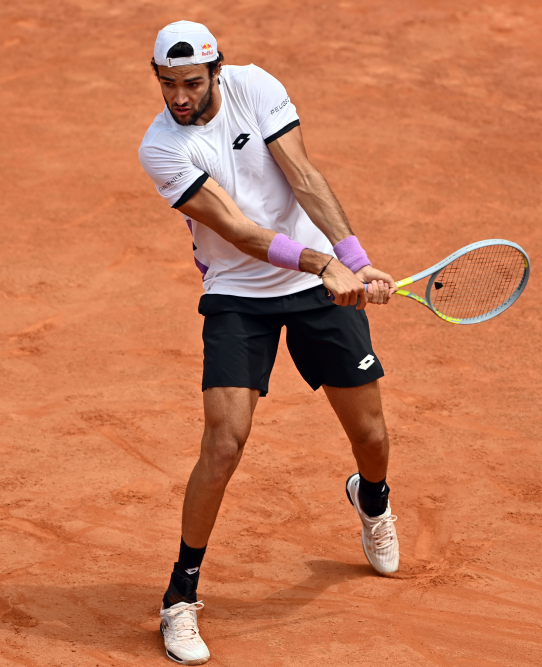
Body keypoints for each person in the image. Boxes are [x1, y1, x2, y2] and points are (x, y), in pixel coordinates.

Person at [138, 21, 400, 665]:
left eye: (191, 83)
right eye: (167, 85)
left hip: (317, 279)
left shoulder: (256, 87)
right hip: (238, 294)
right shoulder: (161, 149)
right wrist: (321, 265)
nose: (179, 97)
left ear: (217, 73)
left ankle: (372, 501)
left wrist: (355, 258)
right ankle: (180, 598)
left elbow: (302, 175)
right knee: (223, 442)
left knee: (370, 436)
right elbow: (238, 228)